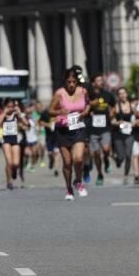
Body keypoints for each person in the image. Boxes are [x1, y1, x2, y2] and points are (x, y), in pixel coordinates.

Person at [50, 68, 91, 200]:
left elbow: (88, 104)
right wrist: (59, 112)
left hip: (78, 128)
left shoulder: (83, 91)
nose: (71, 85)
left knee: (78, 158)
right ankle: (68, 188)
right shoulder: (59, 93)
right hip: (63, 130)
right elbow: (50, 110)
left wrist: (84, 113)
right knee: (67, 163)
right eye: (69, 82)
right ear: (65, 82)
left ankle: (78, 181)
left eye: (74, 82)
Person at [86, 74, 115, 186]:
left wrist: (112, 113)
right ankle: (100, 174)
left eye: (102, 80)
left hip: (105, 127)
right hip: (93, 129)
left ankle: (107, 160)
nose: (101, 82)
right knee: (96, 153)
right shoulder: (89, 96)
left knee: (106, 149)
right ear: (93, 83)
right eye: (98, 80)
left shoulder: (107, 94)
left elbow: (113, 106)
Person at [0, 99, 28, 191]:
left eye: (12, 106)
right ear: (5, 106)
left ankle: (14, 170)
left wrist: (19, 114)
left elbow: (26, 124)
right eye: (8, 106)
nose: (10, 109)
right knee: (9, 162)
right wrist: (3, 114)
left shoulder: (16, 115)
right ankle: (9, 182)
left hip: (15, 140)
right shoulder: (3, 115)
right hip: (6, 140)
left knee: (16, 163)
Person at [112, 87, 136, 184]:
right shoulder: (116, 106)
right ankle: (118, 160)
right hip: (118, 133)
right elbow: (111, 120)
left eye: (124, 93)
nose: (122, 95)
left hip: (129, 133)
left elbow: (137, 117)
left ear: (127, 94)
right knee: (121, 155)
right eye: (120, 93)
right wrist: (117, 122)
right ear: (118, 96)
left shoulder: (132, 105)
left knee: (128, 154)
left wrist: (135, 122)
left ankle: (126, 174)